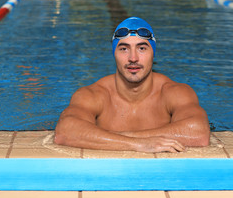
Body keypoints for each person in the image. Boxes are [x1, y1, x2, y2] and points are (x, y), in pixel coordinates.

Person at [55, 17, 210, 153]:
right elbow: (65, 131)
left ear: (153, 53)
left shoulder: (174, 92)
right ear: (114, 54)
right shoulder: (93, 94)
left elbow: (199, 133)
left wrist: (107, 136)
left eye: (142, 48)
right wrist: (139, 144)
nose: (133, 58)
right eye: (124, 49)